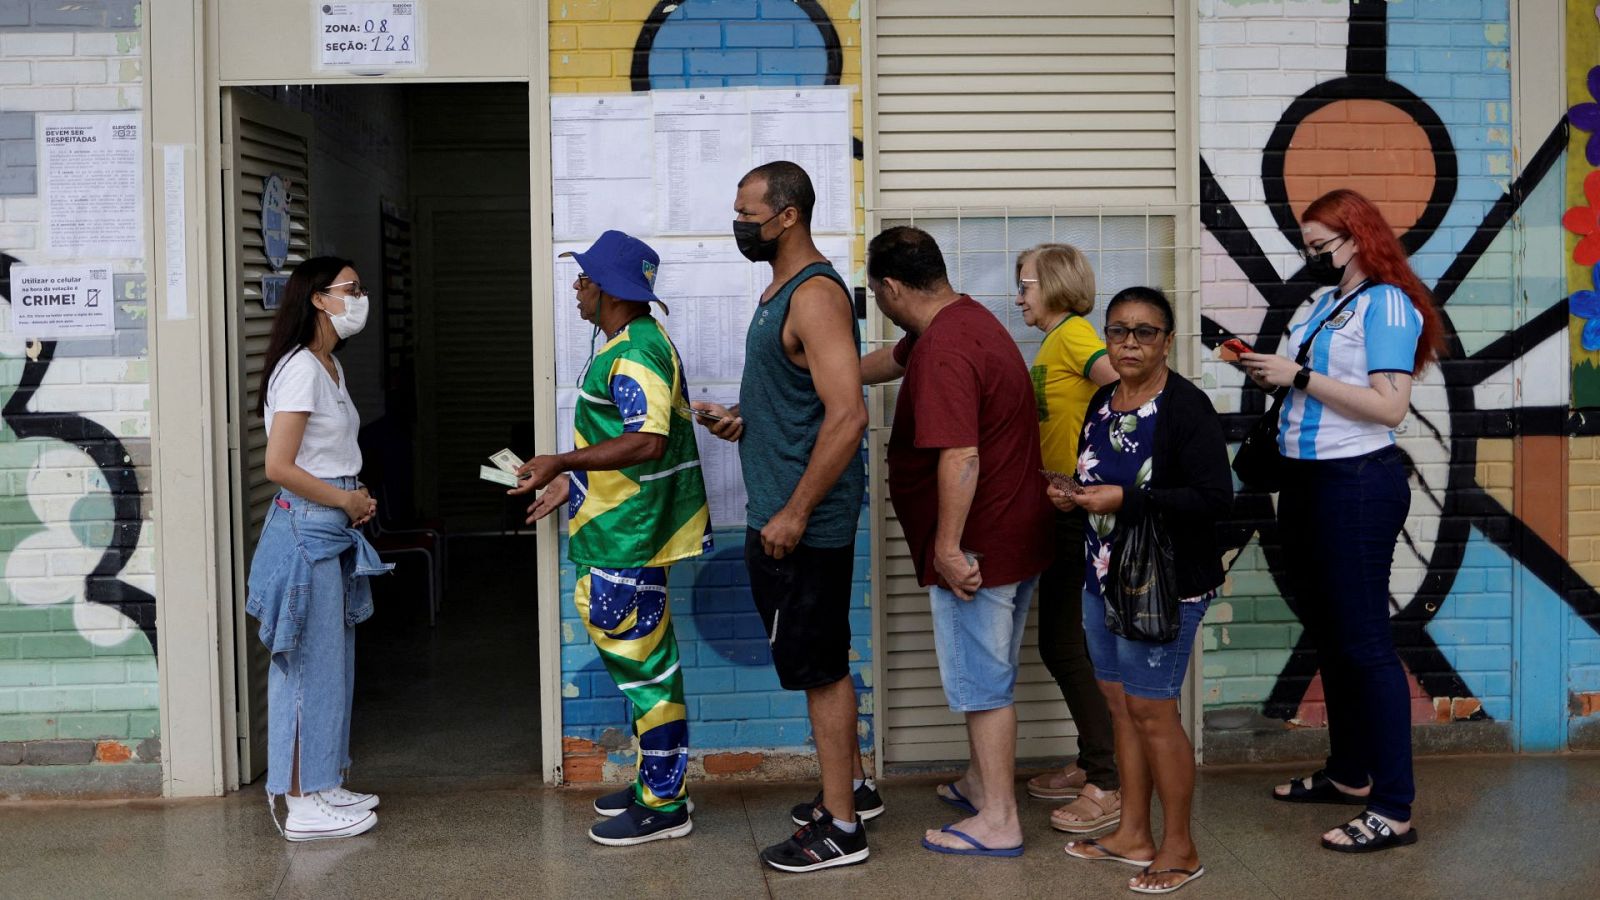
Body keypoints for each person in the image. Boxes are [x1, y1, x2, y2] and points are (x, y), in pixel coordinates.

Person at [1239, 188, 1444, 854]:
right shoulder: (1329, 304)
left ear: (1358, 236)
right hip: (1307, 483)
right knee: (1331, 637)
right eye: (1308, 248)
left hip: (1355, 485)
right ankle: (1351, 775)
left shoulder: (1386, 301)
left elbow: (1388, 408)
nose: (1314, 258)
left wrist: (1296, 376)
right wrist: (1269, 373)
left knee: (1364, 645)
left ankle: (1393, 808)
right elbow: (1317, 385)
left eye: (1323, 246)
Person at [692, 161, 879, 873]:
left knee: (821, 669)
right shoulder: (779, 292)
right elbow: (804, 401)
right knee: (817, 662)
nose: (739, 224)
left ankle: (841, 826)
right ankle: (852, 789)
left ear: (788, 216)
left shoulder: (816, 295)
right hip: (783, 511)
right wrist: (746, 420)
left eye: (749, 213)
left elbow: (848, 414)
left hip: (805, 523)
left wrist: (797, 511)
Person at [860, 226, 1054, 859]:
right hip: (1017, 532)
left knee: (983, 684)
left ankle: (999, 818)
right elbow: (890, 359)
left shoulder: (943, 350)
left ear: (889, 289)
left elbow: (961, 454)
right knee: (988, 672)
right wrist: (817, 368)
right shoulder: (963, 320)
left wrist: (947, 548)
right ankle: (980, 783)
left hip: (980, 547)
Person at [513, 230, 712, 846]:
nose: (576, 287)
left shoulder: (637, 352)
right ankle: (657, 782)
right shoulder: (630, 343)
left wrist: (560, 463)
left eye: (584, 278)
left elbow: (647, 441)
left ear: (609, 292)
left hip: (628, 537)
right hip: (616, 530)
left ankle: (665, 802)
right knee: (642, 663)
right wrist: (565, 487)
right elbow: (628, 444)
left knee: (647, 667)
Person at [1055, 286, 1231, 894]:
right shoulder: (1103, 400)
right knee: (1121, 706)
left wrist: (1127, 500)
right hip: (1103, 575)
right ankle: (1133, 833)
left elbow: (1214, 500)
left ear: (1166, 341)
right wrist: (1075, 496)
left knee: (1153, 711)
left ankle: (1180, 847)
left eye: (1145, 332)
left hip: (1165, 583)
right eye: (1119, 330)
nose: (1130, 342)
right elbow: (1099, 480)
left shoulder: (1186, 408)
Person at [247, 256, 389, 841]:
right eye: (350, 289)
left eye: (360, 288)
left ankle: (325, 781)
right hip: (307, 530)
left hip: (331, 526)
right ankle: (299, 802)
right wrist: (343, 498)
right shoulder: (302, 368)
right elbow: (279, 466)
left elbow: (327, 453)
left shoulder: (329, 365)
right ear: (319, 299)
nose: (360, 298)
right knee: (305, 666)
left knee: (332, 665)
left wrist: (354, 494)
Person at [1014, 243, 1123, 834]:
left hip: (1077, 513)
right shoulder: (1054, 341)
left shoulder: (1076, 334)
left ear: (1055, 285)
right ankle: (1092, 763)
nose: (1018, 296)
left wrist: (1095, 474)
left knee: (1062, 644)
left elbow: (1125, 393)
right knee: (1065, 642)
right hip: (1059, 509)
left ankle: (1106, 779)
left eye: (1027, 284)